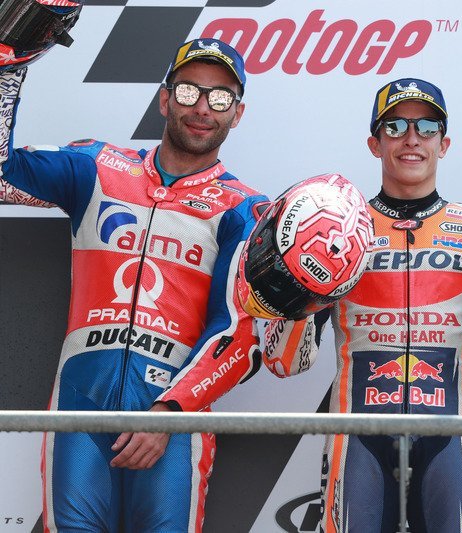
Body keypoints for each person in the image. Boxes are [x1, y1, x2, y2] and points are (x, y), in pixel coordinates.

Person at [0, 37, 267, 531]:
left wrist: (170, 412)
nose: (202, 108)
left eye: (220, 97)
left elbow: (239, 334)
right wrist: (7, 71)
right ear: (164, 99)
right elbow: (2, 173)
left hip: (174, 422)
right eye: (188, 91)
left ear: (238, 113)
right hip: (80, 405)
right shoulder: (98, 166)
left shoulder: (244, 210)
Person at [260, 78, 462, 532]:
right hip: (358, 440)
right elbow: (283, 362)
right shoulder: (335, 227)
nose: (412, 138)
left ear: (443, 143)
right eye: (395, 127)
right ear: (375, 143)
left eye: (426, 127)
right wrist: (298, 296)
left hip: (451, 438)